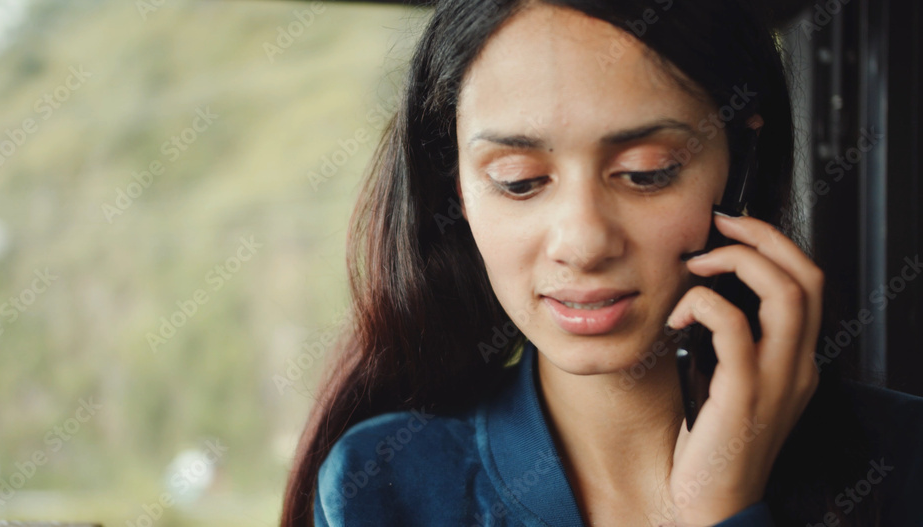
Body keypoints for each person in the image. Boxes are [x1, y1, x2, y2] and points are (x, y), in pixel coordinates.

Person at [281, 0, 923, 525]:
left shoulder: (901, 460)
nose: (583, 243)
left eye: (647, 174)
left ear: (740, 165)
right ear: (458, 194)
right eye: (519, 181)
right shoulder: (390, 483)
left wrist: (723, 510)